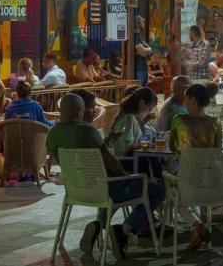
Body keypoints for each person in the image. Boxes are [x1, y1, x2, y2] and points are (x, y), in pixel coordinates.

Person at [46, 94, 165, 261]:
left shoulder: (52, 133)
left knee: (109, 190)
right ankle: (123, 229)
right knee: (157, 189)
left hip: (75, 191)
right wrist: (125, 176)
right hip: (105, 188)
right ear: (79, 110)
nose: (93, 110)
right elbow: (109, 161)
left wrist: (107, 142)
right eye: (90, 107)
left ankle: (98, 224)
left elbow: (84, 160)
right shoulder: (86, 130)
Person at [168, 83, 223, 250]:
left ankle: (196, 225)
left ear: (192, 99)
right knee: (191, 192)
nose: (184, 102)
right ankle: (196, 230)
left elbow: (172, 147)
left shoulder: (178, 121)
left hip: (186, 179)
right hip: (211, 179)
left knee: (173, 198)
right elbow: (217, 151)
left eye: (186, 98)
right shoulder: (215, 122)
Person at [108, 87, 159, 160]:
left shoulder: (130, 116)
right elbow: (126, 147)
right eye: (149, 109)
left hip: (131, 160)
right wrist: (146, 144)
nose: (149, 112)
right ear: (141, 103)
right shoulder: (130, 118)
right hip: (126, 162)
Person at [133, 15, 153, 86]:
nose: (144, 23)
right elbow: (143, 52)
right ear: (138, 24)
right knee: (140, 91)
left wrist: (147, 50)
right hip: (138, 69)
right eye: (142, 22)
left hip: (144, 69)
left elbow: (150, 50)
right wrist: (148, 49)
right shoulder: (135, 36)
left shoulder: (140, 37)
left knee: (145, 92)